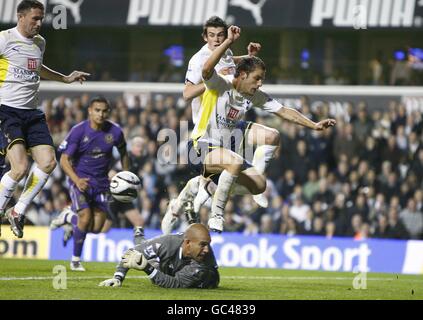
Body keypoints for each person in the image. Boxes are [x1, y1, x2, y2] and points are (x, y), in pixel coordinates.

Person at [187, 25, 336, 232]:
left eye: (261, 80)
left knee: (260, 181)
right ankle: (216, 214)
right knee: (235, 161)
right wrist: (228, 41)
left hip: (228, 143)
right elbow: (205, 70)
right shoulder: (221, 83)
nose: (259, 84)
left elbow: (284, 111)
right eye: (257, 78)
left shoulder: (252, 94)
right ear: (242, 75)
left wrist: (314, 125)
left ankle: (212, 187)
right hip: (201, 147)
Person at [0, 0, 90, 238]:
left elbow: (37, 67)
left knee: (48, 163)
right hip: (6, 111)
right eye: (35, 19)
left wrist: (65, 79)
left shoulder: (40, 43)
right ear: (21, 17)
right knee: (18, 168)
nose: (39, 23)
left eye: (41, 19)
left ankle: (17, 211)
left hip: (32, 113)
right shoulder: (5, 39)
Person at [57, 96, 130, 271]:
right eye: (97, 110)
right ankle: (75, 261)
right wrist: (76, 180)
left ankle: (69, 218)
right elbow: (64, 160)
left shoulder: (115, 132)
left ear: (109, 112)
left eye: (104, 111)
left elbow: (124, 153)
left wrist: (126, 175)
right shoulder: (79, 131)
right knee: (86, 216)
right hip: (80, 180)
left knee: (97, 228)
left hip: (102, 184)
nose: (101, 114)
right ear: (90, 110)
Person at [99, 223, 219, 289]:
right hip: (168, 266)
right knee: (142, 253)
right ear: (187, 242)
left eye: (208, 244)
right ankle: (139, 238)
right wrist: (118, 278)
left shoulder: (203, 264)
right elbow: (131, 253)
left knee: (149, 264)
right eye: (203, 245)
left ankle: (140, 238)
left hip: (202, 280)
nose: (207, 250)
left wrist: (147, 268)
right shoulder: (167, 243)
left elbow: (175, 284)